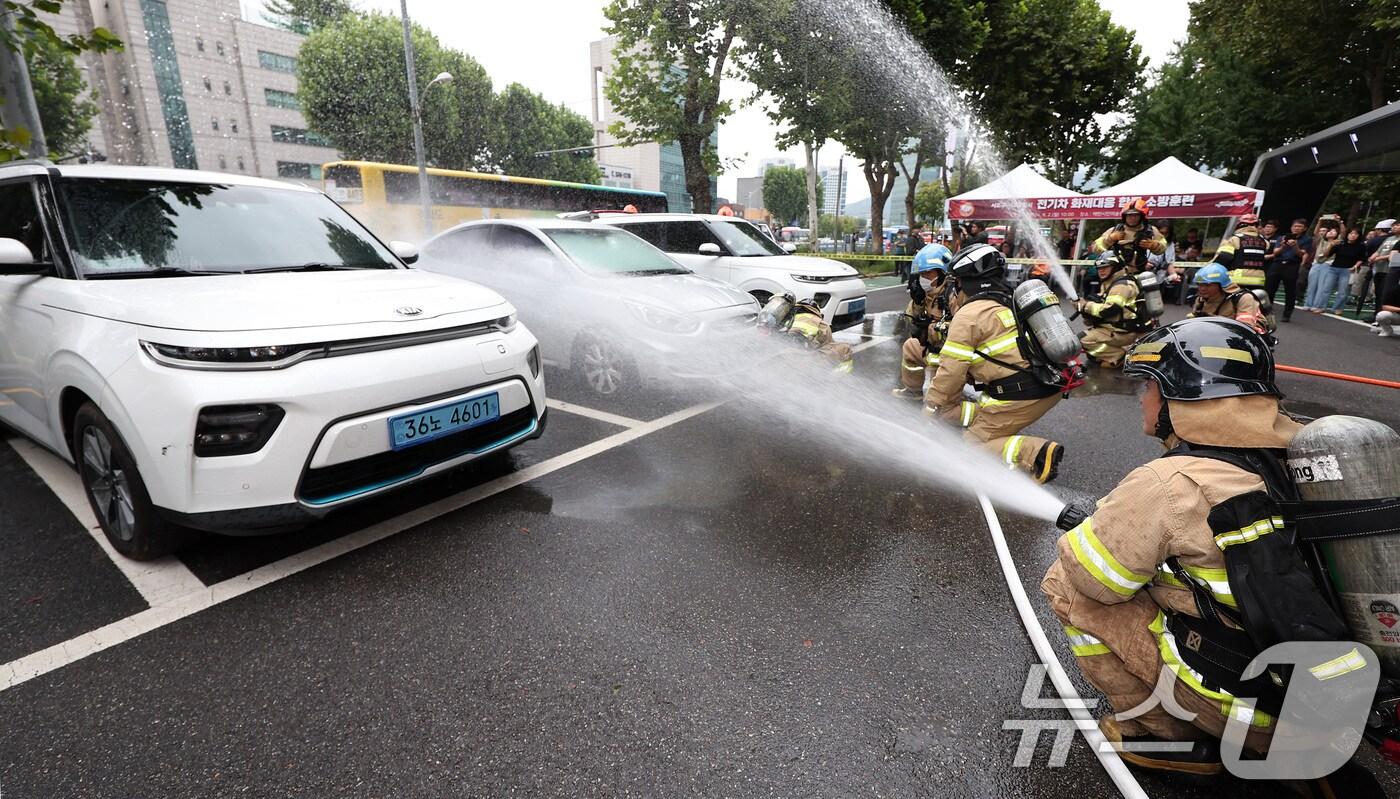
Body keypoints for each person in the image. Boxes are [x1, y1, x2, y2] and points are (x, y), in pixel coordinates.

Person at [1041, 318, 1378, 788]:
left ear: (1182, 396)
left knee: (1065, 583)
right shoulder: (1308, 456)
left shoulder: (1173, 481)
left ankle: (1163, 737)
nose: (1142, 398)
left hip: (1257, 708)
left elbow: (1098, 577)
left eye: (1150, 386)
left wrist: (1086, 534)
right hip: (1340, 699)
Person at [923, 243, 1065, 483]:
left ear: (965, 282)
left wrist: (932, 405)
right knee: (965, 415)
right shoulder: (1008, 302)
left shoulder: (968, 316)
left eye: (956, 282)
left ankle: (1036, 453)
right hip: (1046, 382)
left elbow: (951, 372)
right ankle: (992, 426)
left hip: (1020, 394)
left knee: (970, 448)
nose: (954, 290)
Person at [893, 240, 960, 400]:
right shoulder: (928, 293)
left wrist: (931, 328)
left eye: (928, 273)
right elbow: (911, 319)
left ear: (942, 272)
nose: (924, 278)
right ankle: (912, 391)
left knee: (939, 406)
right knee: (910, 346)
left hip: (953, 354)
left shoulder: (954, 294)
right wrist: (917, 301)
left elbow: (961, 330)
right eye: (921, 274)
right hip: (934, 348)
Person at [1077, 251, 1145, 369]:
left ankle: (1119, 356)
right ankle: (1111, 353)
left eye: (1106, 267)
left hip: (1123, 331)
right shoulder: (1111, 282)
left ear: (1115, 267)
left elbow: (1110, 310)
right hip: (1117, 327)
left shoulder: (1121, 285)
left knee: (1082, 339)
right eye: (1099, 268)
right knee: (1092, 354)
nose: (1101, 271)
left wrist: (1085, 306)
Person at [759, 294, 854, 372]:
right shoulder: (822, 324)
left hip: (779, 357)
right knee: (845, 349)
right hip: (802, 362)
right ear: (816, 311)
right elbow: (828, 345)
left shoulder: (787, 318)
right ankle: (836, 378)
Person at [1188, 264, 1267, 335]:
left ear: (1221, 285)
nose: (1202, 289)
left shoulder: (1244, 298)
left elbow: (1244, 328)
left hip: (1247, 339)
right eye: (1199, 284)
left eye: (1207, 285)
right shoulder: (1201, 300)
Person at [1093, 198, 1167, 271]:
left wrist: (1154, 245)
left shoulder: (1151, 230)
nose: (1132, 218)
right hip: (1117, 275)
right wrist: (1110, 239)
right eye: (1129, 215)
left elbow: (1163, 247)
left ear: (1142, 216)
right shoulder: (1114, 230)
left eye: (1136, 215)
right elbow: (1095, 248)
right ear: (1124, 217)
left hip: (1141, 273)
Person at [1264, 219, 1310, 322]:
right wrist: (1283, 246)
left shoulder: (1307, 240)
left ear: (1304, 228)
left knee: (1290, 291)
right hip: (1277, 264)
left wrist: (1295, 246)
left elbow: (1301, 254)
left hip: (1292, 265)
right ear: (1291, 227)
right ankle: (1267, 312)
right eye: (1295, 226)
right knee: (1269, 289)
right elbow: (1275, 252)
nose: (1296, 228)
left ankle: (1287, 314)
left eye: (1299, 226)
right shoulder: (1281, 237)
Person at [1307, 227, 1360, 315]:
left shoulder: (1360, 246)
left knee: (1342, 291)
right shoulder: (1340, 243)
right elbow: (1326, 254)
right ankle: (1321, 307)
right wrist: (1331, 245)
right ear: (1347, 235)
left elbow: (1361, 258)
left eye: (1355, 234)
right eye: (1351, 233)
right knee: (1326, 289)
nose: (1353, 235)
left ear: (1358, 236)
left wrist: (1355, 266)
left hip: (1347, 269)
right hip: (1334, 268)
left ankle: (1338, 308)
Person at [1361, 219, 1400, 322]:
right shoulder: (1389, 238)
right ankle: (1376, 314)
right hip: (1378, 269)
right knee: (1378, 293)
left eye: (1397, 225)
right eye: (1393, 226)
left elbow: (1394, 255)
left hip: (1390, 270)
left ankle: (1384, 316)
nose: (1394, 227)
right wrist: (1372, 257)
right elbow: (1379, 250)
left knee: (1385, 293)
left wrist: (1379, 258)